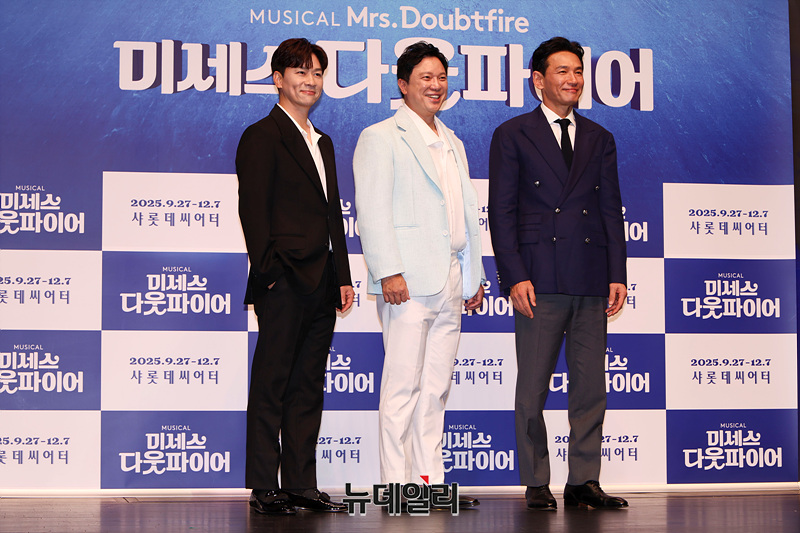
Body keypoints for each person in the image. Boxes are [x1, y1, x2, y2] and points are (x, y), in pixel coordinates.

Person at [488, 36, 628, 510]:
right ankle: (536, 480)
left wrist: (616, 272)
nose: (573, 80)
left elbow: (610, 210)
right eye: (562, 71)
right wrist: (514, 275)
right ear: (538, 80)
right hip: (538, 278)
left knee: (590, 387)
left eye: (578, 71)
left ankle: (584, 479)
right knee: (532, 388)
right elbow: (502, 211)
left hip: (590, 276)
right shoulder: (513, 134)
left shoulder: (599, 137)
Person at [353, 41, 484, 506]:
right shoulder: (381, 136)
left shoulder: (453, 141)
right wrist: (388, 271)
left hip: (451, 278)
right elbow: (372, 212)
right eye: (426, 77)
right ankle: (396, 489)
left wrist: (472, 276)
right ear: (403, 85)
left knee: (435, 390)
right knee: (402, 388)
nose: (436, 85)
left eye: (442, 77)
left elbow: (463, 216)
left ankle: (428, 485)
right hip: (406, 282)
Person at [236, 37, 354, 515]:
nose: (311, 81)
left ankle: (302, 483)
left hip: (323, 281)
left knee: (308, 385)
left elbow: (332, 215)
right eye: (301, 71)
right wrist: (269, 274)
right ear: (278, 79)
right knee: (272, 383)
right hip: (283, 279)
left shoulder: (322, 141)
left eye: (317, 73)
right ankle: (264, 485)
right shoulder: (261, 136)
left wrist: (342, 275)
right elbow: (253, 212)